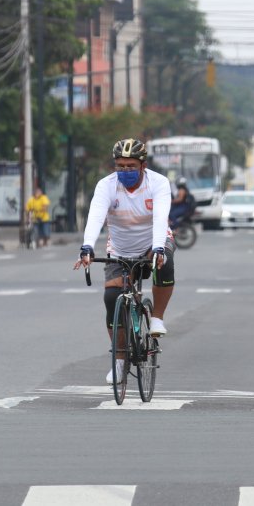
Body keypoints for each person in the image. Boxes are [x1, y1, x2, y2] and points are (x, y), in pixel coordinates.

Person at [74, 138, 176, 385]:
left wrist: (159, 247)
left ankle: (157, 318)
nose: (125, 171)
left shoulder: (159, 183)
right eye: (120, 166)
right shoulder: (106, 186)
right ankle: (120, 361)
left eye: (131, 165)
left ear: (143, 165)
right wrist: (87, 246)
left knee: (165, 262)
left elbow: (161, 217)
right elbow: (96, 217)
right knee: (111, 300)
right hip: (120, 248)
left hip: (154, 241)